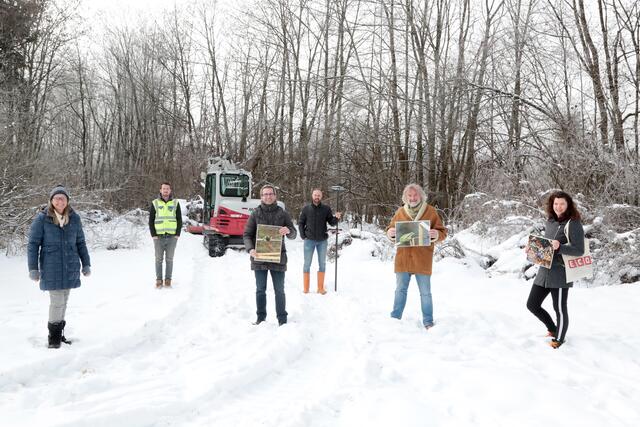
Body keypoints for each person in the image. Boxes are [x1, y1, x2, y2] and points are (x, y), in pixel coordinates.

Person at [27, 185, 91, 349]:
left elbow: (80, 243)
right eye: (56, 198)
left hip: (70, 266)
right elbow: (33, 244)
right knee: (57, 302)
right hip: (51, 267)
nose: (60, 201)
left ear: (67, 201)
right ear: (51, 200)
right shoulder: (42, 219)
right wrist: (33, 268)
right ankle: (53, 339)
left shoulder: (74, 218)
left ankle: (59, 334)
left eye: (63, 198)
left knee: (64, 301)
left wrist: (86, 263)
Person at [527, 190, 585, 349]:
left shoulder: (573, 223)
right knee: (532, 304)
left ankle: (559, 339)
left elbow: (579, 250)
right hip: (544, 271)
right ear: (552, 205)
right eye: (556, 203)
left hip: (560, 273)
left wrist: (560, 248)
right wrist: (533, 249)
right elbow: (548, 245)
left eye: (562, 204)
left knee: (559, 308)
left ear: (568, 205)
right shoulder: (550, 221)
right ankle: (552, 329)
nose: (559, 207)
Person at [386, 183, 447, 330]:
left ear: (421, 195)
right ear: (406, 197)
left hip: (422, 259)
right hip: (403, 258)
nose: (413, 198)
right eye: (410, 195)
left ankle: (428, 321)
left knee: (425, 292)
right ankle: (395, 318)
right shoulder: (400, 212)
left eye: (415, 195)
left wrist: (436, 234)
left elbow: (442, 232)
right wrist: (390, 233)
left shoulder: (431, 211)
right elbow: (389, 229)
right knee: (400, 289)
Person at [243, 185, 297, 326]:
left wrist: (288, 231)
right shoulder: (255, 214)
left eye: (270, 194)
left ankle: (282, 320)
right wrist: (250, 250)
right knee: (260, 290)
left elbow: (293, 233)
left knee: (279, 290)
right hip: (259, 257)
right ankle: (261, 318)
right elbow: (247, 235)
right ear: (261, 197)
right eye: (265, 194)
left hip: (277, 257)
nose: (268, 196)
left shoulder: (282, 213)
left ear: (275, 196)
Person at [298, 188, 342, 294]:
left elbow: (331, 222)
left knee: (322, 264)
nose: (317, 197)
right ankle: (306, 288)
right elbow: (301, 223)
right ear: (312, 195)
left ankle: (320, 288)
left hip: (322, 241)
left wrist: (336, 218)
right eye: (315, 195)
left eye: (319, 195)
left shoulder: (326, 209)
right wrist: (303, 236)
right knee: (307, 264)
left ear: (321, 197)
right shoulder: (306, 209)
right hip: (309, 240)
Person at [149, 182, 182, 288]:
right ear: (160, 190)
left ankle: (168, 280)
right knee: (158, 259)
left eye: (167, 188)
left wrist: (177, 234)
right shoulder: (155, 203)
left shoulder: (175, 203)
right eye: (164, 188)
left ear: (170, 190)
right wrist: (153, 235)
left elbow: (179, 219)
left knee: (169, 259)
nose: (165, 190)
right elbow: (151, 220)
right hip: (158, 237)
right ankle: (159, 281)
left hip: (172, 237)